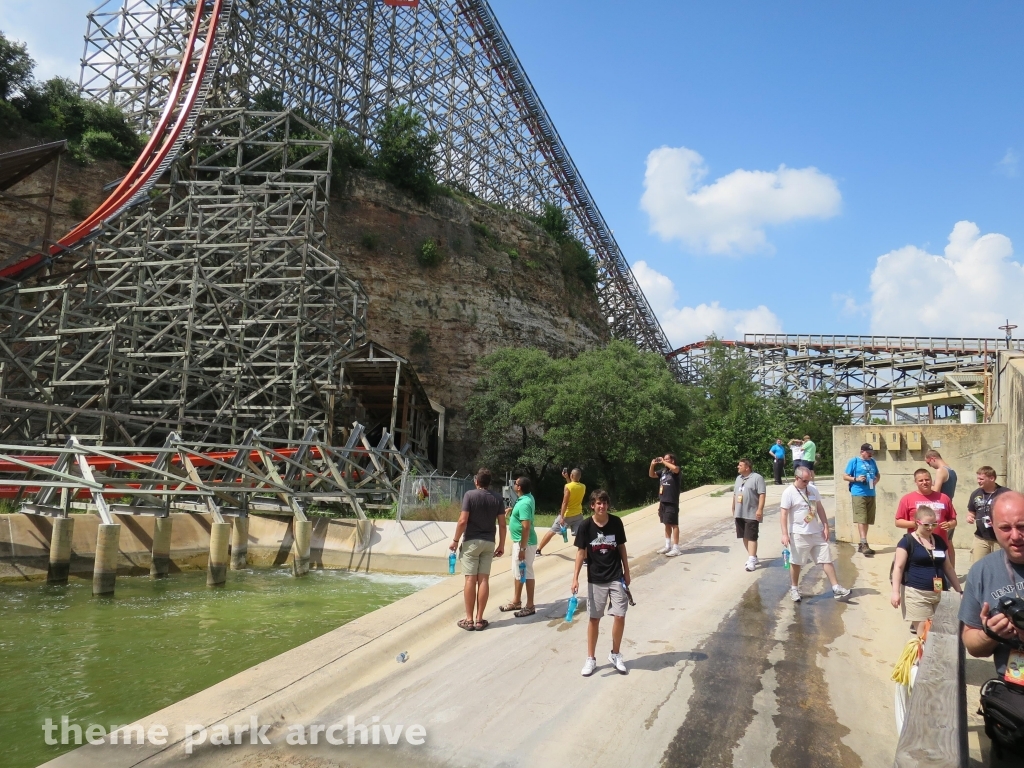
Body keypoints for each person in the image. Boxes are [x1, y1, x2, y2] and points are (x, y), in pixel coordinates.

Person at [959, 491, 1024, 685]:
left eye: (1022, 526)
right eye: (1005, 528)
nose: (1015, 536)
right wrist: (990, 633)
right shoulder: (982, 571)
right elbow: (972, 645)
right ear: (992, 527)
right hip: (1013, 690)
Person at [572, 489, 631, 676]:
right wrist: (575, 578)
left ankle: (615, 654)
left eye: (604, 503)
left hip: (616, 576)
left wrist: (627, 571)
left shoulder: (616, 522)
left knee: (620, 615)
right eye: (598, 503)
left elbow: (621, 547)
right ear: (592, 505)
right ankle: (591, 658)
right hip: (596, 578)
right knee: (594, 618)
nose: (602, 506)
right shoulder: (585, 526)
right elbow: (580, 553)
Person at [780, 466, 851, 602]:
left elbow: (820, 508)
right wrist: (784, 534)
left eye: (809, 480)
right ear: (796, 478)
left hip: (816, 532)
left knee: (826, 559)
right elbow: (783, 514)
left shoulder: (812, 489)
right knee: (796, 562)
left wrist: (825, 526)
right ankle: (794, 589)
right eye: (804, 481)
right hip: (799, 533)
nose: (807, 483)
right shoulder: (788, 492)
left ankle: (836, 587)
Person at [890, 505, 963, 634]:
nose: (930, 528)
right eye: (926, 525)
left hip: (940, 593)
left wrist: (959, 591)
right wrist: (895, 592)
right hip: (917, 594)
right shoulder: (906, 541)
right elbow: (898, 567)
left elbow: (948, 567)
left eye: (934, 524)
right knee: (925, 636)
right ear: (917, 523)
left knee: (942, 634)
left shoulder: (939, 541)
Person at [450, 468, 507, 630]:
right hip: (489, 543)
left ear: (476, 481)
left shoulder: (470, 495)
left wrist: (455, 541)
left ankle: (469, 620)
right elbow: (502, 524)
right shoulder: (497, 498)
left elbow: (462, 521)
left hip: (472, 542)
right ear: (489, 483)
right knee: (483, 580)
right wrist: (502, 544)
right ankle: (480, 619)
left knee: (470, 580)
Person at [895, 469, 957, 568]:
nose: (924, 482)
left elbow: (953, 520)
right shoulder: (907, 499)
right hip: (917, 545)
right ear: (915, 482)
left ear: (932, 480)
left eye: (927, 479)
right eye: (921, 480)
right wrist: (916, 524)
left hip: (939, 544)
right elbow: (898, 522)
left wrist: (949, 524)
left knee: (941, 572)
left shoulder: (944, 498)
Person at [501, 476, 537, 618]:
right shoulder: (527, 498)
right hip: (521, 542)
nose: (514, 485)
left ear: (519, 487)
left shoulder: (524, 503)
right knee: (518, 572)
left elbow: (526, 527)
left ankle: (530, 605)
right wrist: (513, 510)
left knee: (527, 573)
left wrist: (522, 549)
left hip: (525, 544)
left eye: (515, 483)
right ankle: (516, 601)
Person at [843, 443, 881, 557]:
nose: (870, 455)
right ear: (862, 452)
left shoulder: (872, 462)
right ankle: (864, 543)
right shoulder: (854, 461)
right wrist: (856, 479)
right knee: (861, 518)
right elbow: (845, 476)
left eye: (871, 453)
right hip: (858, 493)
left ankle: (862, 543)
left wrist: (875, 481)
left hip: (871, 493)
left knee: (867, 519)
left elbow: (878, 474)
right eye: (868, 453)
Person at [965, 466, 1010, 566]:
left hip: (999, 539)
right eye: (978, 478)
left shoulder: (1005, 493)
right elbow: (971, 511)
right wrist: (970, 517)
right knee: (978, 566)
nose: (978, 481)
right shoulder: (975, 494)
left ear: (992, 478)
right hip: (981, 538)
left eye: (981, 479)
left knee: (1001, 566)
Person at [537, 468, 586, 556]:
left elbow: (565, 502)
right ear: (580, 477)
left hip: (567, 515)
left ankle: (538, 550)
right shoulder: (583, 486)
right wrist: (567, 478)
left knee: (552, 531)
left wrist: (562, 517)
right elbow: (573, 487)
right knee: (581, 536)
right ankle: (585, 557)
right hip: (578, 515)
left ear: (571, 475)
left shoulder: (567, 486)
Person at [733, 458, 766, 572]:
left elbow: (762, 494)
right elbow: (735, 494)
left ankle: (751, 560)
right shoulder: (738, 478)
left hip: (752, 512)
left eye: (740, 465)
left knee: (751, 536)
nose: (738, 467)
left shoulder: (757, 478)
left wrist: (760, 509)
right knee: (744, 536)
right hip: (739, 512)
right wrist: (733, 508)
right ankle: (753, 557)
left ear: (747, 467)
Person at [649, 453, 682, 556]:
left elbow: (675, 469)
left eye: (667, 459)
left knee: (674, 524)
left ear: (672, 460)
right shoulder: (663, 471)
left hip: (672, 501)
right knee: (666, 523)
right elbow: (651, 475)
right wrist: (652, 465)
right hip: (663, 501)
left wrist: (663, 461)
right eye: (664, 459)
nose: (664, 460)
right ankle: (668, 546)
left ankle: (676, 548)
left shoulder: (676, 470)